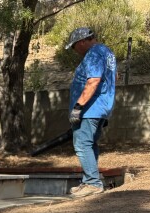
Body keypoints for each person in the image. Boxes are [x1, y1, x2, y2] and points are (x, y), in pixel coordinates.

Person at [65, 27, 117, 198]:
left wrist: (78, 107)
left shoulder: (94, 53)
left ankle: (93, 184)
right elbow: (114, 78)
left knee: (82, 144)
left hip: (90, 109)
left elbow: (93, 81)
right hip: (99, 107)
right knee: (90, 144)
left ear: (81, 42)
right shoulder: (107, 52)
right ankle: (89, 181)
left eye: (74, 47)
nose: (74, 51)